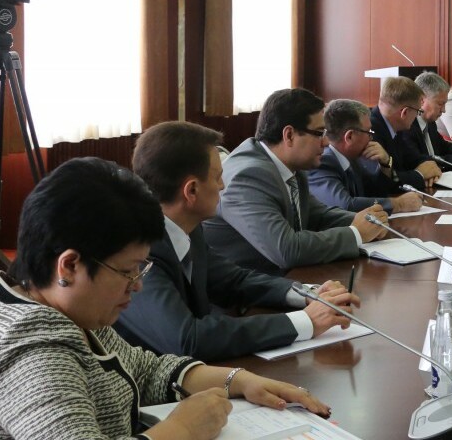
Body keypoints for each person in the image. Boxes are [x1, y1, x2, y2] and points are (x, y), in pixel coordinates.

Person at [0, 157, 330, 439]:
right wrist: (183, 430)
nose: (136, 286)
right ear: (70, 265)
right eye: (127, 271)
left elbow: (143, 369)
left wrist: (240, 380)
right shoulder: (28, 347)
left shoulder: (67, 310)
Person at [116, 121, 359, 361]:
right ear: (191, 191)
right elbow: (188, 339)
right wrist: (306, 321)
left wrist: (309, 294)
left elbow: (234, 281)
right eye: (217, 177)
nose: (223, 186)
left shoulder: (186, 227)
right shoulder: (137, 250)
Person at [203, 88, 389, 275]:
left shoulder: (290, 166)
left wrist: (369, 222)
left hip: (286, 277)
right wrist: (357, 233)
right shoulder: (247, 176)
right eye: (319, 133)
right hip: (249, 287)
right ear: (289, 135)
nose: (326, 142)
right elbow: (287, 250)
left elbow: (317, 216)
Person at [309, 100, 424, 214]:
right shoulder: (324, 161)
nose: (371, 138)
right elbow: (345, 205)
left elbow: (376, 191)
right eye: (369, 132)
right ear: (349, 137)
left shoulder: (352, 158)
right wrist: (399, 204)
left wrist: (386, 163)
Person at [370, 76, 443, 190]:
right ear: (404, 112)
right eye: (418, 111)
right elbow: (382, 182)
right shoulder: (369, 132)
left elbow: (411, 158)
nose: (417, 116)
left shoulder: (395, 125)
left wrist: (431, 166)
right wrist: (420, 175)